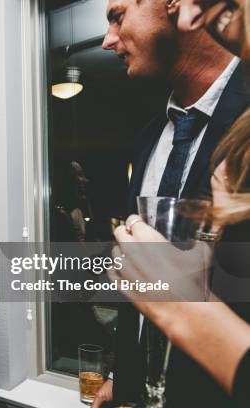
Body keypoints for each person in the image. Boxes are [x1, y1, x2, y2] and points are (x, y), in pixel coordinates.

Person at [95, 0, 250, 405]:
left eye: (117, 16)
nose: (108, 40)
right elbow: (145, 279)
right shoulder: (148, 138)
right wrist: (123, 375)